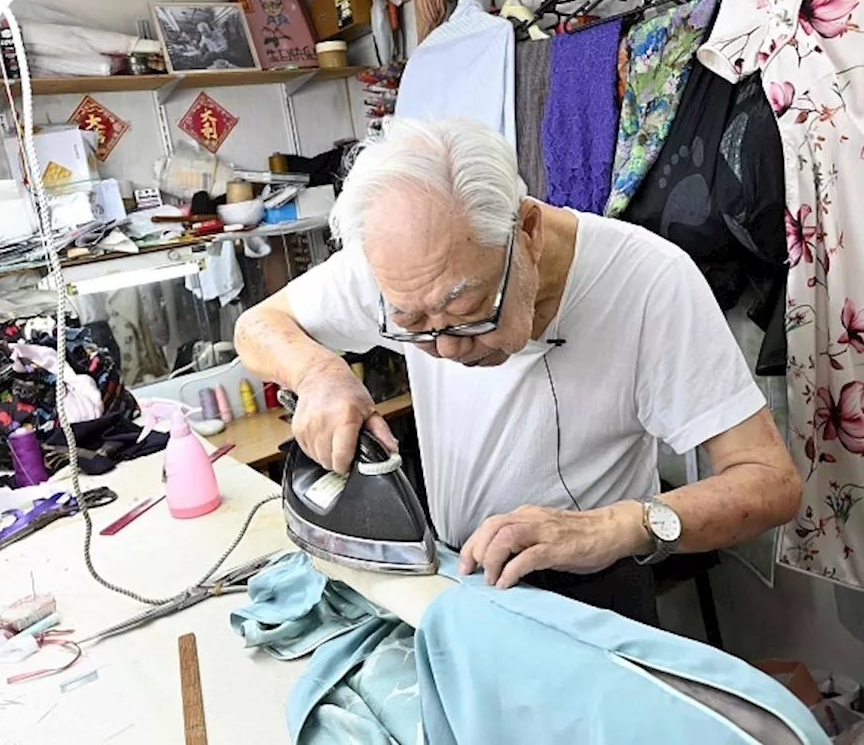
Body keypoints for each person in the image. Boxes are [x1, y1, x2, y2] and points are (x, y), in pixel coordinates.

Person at [235, 117, 801, 625]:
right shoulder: (400, 265)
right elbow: (258, 325)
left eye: (467, 316)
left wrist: (610, 528)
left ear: (526, 230)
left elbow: (770, 484)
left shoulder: (650, 282)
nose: (447, 351)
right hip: (457, 574)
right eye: (413, 325)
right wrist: (318, 374)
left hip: (595, 588)